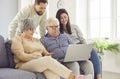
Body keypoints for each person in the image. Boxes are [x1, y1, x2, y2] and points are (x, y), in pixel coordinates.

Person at [11, 18, 76, 79]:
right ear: (23, 29)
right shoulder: (17, 39)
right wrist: (39, 57)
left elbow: (46, 53)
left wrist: (50, 57)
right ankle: (72, 76)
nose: (33, 31)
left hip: (39, 62)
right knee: (46, 60)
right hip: (24, 64)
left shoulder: (36, 40)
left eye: (33, 29)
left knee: (51, 71)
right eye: (30, 29)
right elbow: (22, 56)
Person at [56, 8, 102, 79]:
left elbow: (82, 39)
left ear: (68, 17)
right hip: (71, 49)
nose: (64, 19)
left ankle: (99, 77)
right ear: (58, 19)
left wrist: (86, 50)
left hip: (80, 46)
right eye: (61, 18)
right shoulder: (58, 31)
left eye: (65, 17)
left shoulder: (74, 27)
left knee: (92, 51)